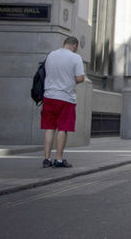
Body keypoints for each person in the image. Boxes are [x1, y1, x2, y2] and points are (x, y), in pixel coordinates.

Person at [41, 36, 85, 168]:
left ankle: (47, 159)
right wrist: (72, 80)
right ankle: (59, 159)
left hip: (49, 96)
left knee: (49, 128)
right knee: (63, 128)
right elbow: (80, 78)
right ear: (75, 45)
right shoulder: (75, 58)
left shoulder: (51, 55)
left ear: (64, 44)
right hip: (66, 98)